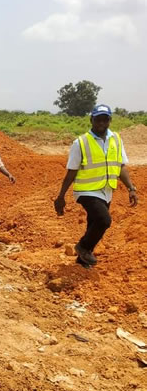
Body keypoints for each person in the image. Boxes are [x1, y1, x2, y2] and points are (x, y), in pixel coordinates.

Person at [54, 104, 138, 268]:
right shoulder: (81, 143)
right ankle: (83, 247)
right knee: (103, 220)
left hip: (106, 189)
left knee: (93, 224)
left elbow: (121, 166)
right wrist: (61, 196)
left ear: (110, 120)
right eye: (98, 118)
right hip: (86, 190)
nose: (101, 122)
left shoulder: (116, 139)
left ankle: (82, 261)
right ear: (91, 119)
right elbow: (71, 171)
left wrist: (131, 188)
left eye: (105, 119)